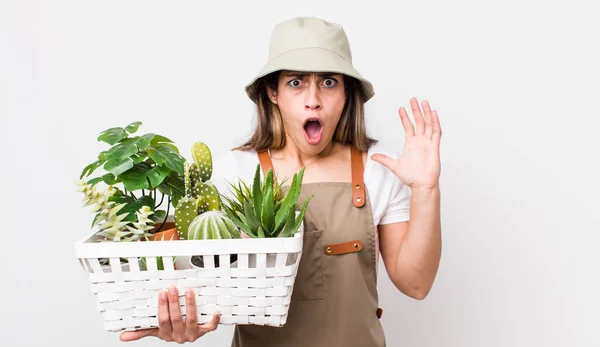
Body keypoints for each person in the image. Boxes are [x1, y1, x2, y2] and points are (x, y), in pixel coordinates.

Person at [120, 16, 442, 346]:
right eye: (296, 82)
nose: (313, 99)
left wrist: (426, 189)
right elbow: (203, 285)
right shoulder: (236, 171)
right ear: (273, 92)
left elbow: (415, 284)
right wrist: (183, 321)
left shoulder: (378, 170)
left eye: (329, 82)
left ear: (347, 94)